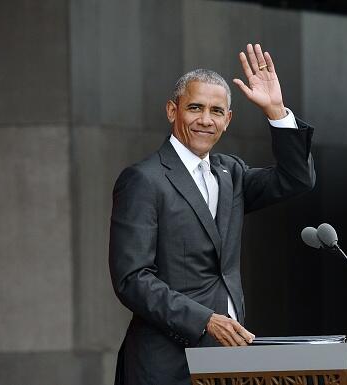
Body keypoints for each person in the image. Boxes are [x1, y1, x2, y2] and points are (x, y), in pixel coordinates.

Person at [109, 43, 316, 385]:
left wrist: (276, 110)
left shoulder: (230, 173)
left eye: (217, 111)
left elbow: (296, 179)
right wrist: (205, 319)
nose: (206, 120)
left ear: (228, 120)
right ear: (172, 110)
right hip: (164, 366)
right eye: (195, 108)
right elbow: (132, 279)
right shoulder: (143, 180)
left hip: (228, 364)